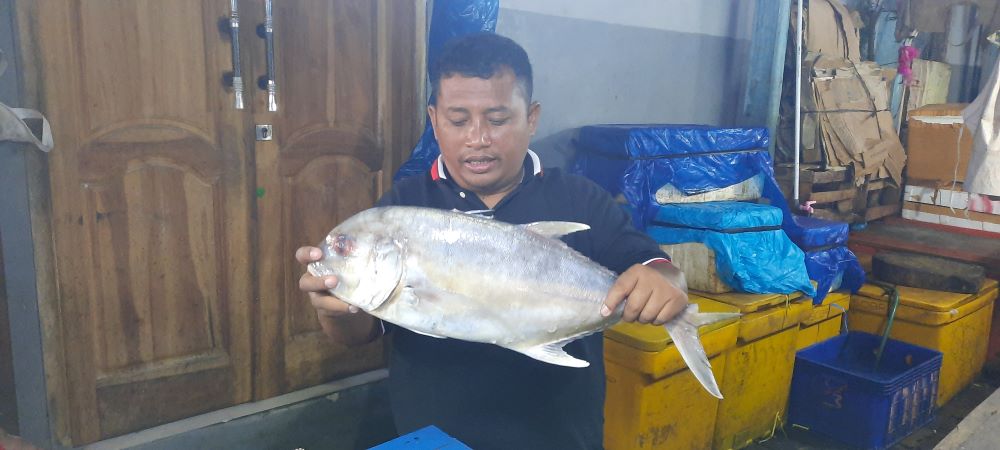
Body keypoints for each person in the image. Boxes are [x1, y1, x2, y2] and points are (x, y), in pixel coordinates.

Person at [295, 33, 688, 449]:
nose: (477, 138)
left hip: (559, 438)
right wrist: (336, 310)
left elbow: (654, 266)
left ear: (531, 118)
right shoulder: (406, 206)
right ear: (434, 119)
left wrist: (665, 281)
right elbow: (360, 332)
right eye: (458, 120)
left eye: (498, 120)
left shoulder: (581, 200)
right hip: (432, 440)